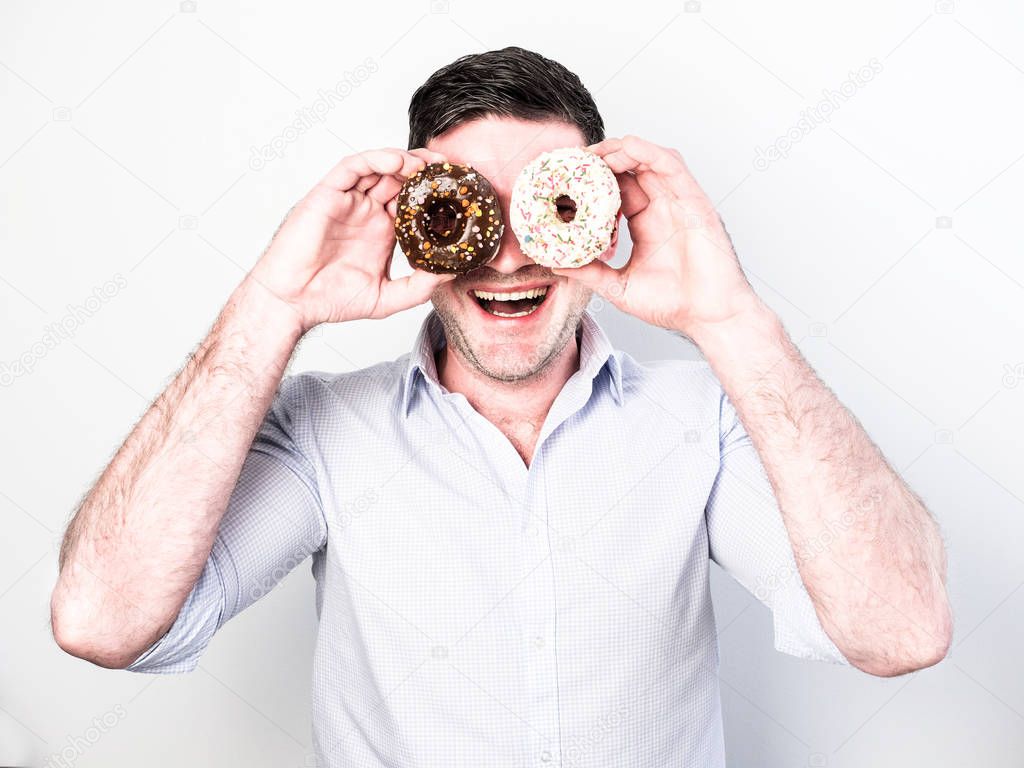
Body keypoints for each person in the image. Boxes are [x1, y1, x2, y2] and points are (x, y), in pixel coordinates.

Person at [50, 47, 952, 766]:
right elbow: (102, 623)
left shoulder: (707, 416)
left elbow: (900, 630)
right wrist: (271, 309)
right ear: (412, 221)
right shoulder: (321, 432)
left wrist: (733, 320)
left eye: (551, 207)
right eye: (470, 209)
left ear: (603, 216)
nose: (509, 256)